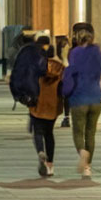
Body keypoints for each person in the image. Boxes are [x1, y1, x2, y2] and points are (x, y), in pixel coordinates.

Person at [62, 22, 101, 178]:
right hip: (96, 98)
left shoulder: (75, 53)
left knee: (78, 132)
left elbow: (71, 71)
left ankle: (82, 155)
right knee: (91, 134)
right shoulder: (98, 53)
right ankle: (88, 168)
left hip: (79, 98)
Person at [29, 36, 64, 177]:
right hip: (53, 105)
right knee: (49, 134)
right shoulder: (60, 68)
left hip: (38, 104)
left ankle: (40, 151)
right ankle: (50, 165)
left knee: (37, 131)